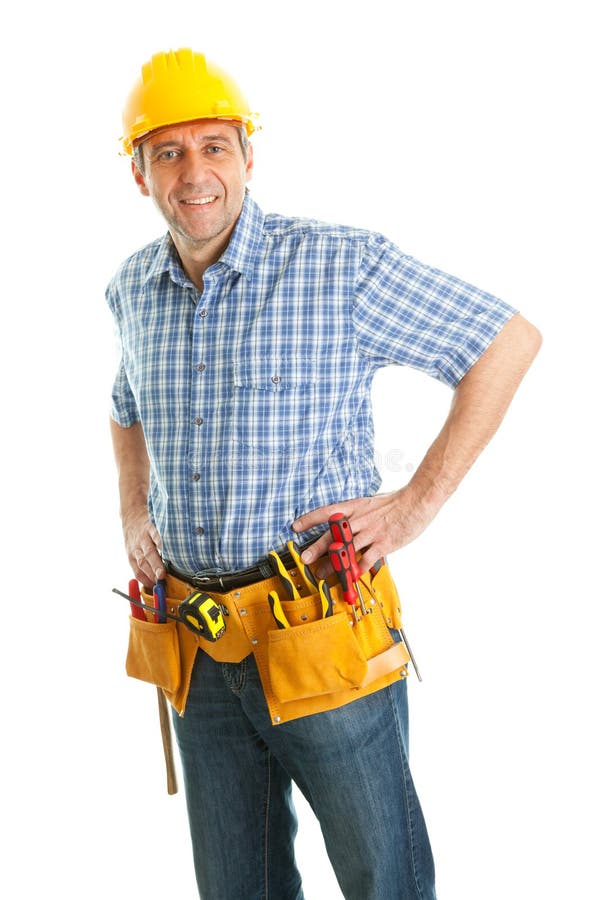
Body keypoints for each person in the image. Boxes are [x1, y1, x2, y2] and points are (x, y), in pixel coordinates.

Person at [107, 48, 541, 900]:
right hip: (195, 640)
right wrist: (132, 507)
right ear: (139, 173)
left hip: (320, 630)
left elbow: (506, 342)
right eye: (168, 151)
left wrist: (415, 506)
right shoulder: (131, 290)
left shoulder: (338, 267)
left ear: (248, 157)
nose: (195, 172)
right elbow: (125, 405)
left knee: (385, 881)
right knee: (239, 889)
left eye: (214, 146)